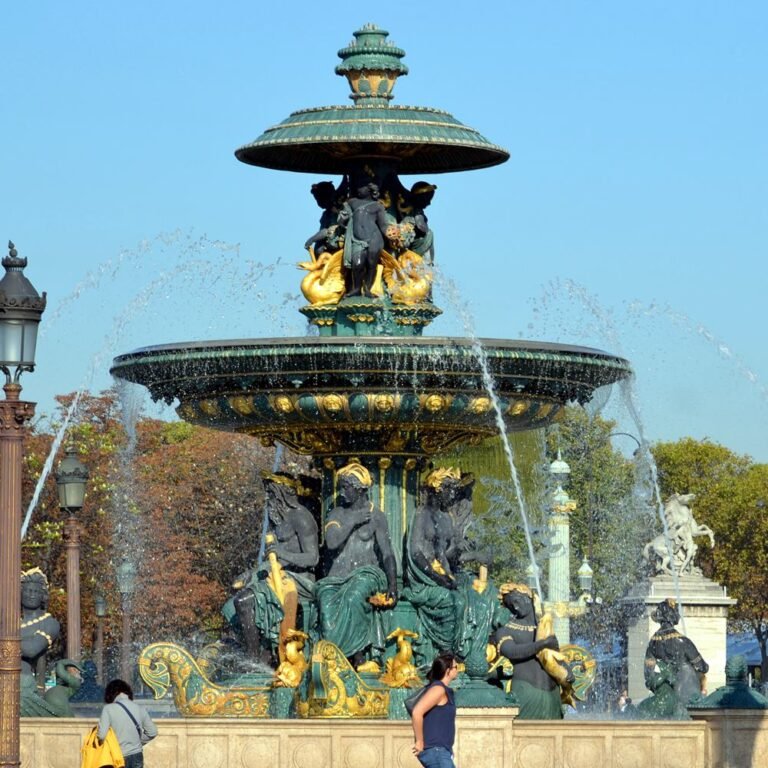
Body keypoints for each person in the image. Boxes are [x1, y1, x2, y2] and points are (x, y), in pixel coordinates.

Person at [223, 472, 319, 665]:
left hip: (299, 581)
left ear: (283, 495)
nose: (268, 499)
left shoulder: (302, 517)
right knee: (230, 606)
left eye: (271, 494)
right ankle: (260, 653)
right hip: (278, 575)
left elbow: (313, 558)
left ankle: (254, 662)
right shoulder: (279, 520)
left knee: (245, 601)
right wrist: (254, 572)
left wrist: (282, 552)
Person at [315, 461, 397, 669]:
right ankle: (331, 657)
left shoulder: (377, 516)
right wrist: (353, 520)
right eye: (340, 487)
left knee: (354, 597)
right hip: (336, 579)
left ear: (360, 489)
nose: (342, 492)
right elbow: (332, 542)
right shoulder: (336, 514)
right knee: (325, 604)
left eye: (346, 487)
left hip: (366, 574)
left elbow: (387, 553)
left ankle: (357, 657)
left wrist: (393, 584)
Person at [337, 182, 390, 296]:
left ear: (370, 189)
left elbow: (383, 225)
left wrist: (390, 234)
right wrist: (342, 219)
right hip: (357, 240)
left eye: (362, 187)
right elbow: (343, 215)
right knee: (357, 264)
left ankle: (368, 289)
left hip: (374, 238)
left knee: (371, 263)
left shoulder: (377, 206)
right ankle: (356, 288)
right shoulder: (352, 202)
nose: (358, 189)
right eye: (358, 187)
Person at [411, 651, 460, 768]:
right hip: (436, 751)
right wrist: (419, 741)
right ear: (447, 671)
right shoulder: (438, 689)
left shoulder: (444, 690)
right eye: (455, 667)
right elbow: (417, 712)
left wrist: (448, 749)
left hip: (441, 751)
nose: (458, 669)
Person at [98, 679, 157, 768]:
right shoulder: (139, 708)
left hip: (117, 756)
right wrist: (137, 741)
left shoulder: (108, 709)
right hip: (137, 755)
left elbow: (101, 736)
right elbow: (152, 732)